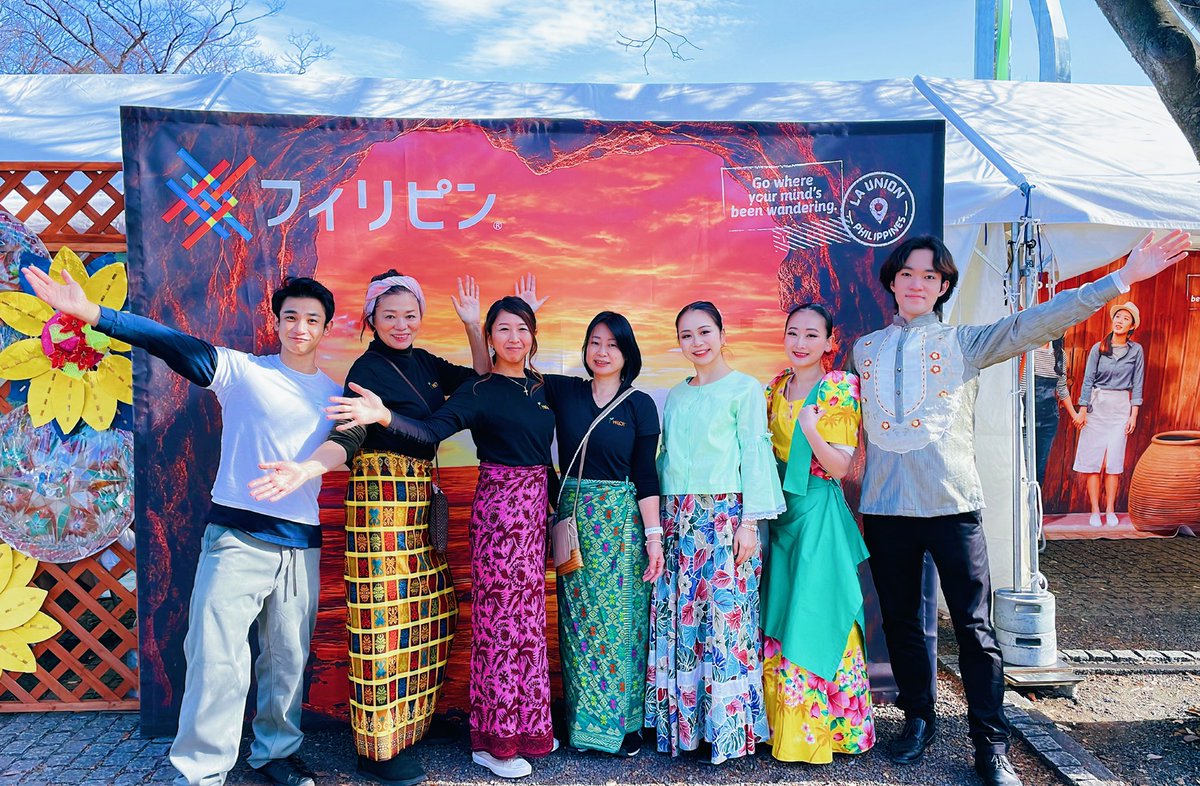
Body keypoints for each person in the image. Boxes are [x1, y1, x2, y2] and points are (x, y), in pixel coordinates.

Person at [850, 231, 1190, 786]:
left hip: (953, 504)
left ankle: (991, 743)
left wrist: (1121, 279)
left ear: (944, 286)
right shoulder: (864, 350)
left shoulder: (965, 342)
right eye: (907, 273)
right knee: (901, 622)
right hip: (886, 509)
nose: (917, 284)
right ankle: (918, 720)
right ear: (892, 281)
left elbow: (1035, 322)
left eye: (929, 276)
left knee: (974, 628)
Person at [25, 265, 343, 786]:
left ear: (326, 327)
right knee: (216, 658)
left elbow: (362, 441)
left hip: (300, 543)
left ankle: (275, 753)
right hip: (237, 538)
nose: (300, 327)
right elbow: (169, 342)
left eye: (312, 319)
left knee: (287, 661)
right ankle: (202, 771)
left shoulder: (335, 396)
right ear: (277, 323)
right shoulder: (243, 371)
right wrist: (93, 314)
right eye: (291, 317)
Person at [248, 270, 491, 786]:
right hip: (380, 511)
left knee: (430, 614)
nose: (401, 325)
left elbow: (480, 383)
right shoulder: (367, 369)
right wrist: (309, 468)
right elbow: (350, 435)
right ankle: (377, 748)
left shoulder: (425, 363)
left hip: (418, 503)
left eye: (410, 315)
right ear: (371, 320)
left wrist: (474, 327)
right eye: (390, 316)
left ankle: (407, 725)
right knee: (383, 624)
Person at [328, 296, 557, 780]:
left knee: (526, 622)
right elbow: (433, 429)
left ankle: (525, 724)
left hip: (531, 512)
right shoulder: (471, 389)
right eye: (503, 329)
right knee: (500, 625)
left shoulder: (537, 386)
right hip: (495, 514)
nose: (514, 338)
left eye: (523, 328)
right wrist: (383, 416)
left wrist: (475, 324)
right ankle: (493, 741)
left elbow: (517, 414)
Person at [646, 300, 784, 764]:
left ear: (723, 335)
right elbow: (665, 461)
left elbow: (755, 455)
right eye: (686, 335)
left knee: (726, 621)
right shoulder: (676, 395)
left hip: (727, 520)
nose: (697, 342)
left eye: (704, 332)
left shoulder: (745, 389)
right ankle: (687, 730)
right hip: (679, 520)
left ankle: (725, 734)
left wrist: (750, 524)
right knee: (684, 619)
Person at [542, 311, 663, 757]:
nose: (603, 352)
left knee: (622, 626)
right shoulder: (565, 392)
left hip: (623, 529)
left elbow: (645, 475)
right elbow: (503, 373)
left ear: (627, 352)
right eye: (595, 342)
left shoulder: (639, 405)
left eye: (613, 344)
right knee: (578, 625)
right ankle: (584, 725)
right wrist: (508, 324)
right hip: (574, 524)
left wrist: (654, 538)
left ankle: (625, 725)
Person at [760, 303, 875, 763]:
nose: (800, 342)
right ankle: (780, 729)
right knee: (783, 612)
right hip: (780, 515)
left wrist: (810, 428)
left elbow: (842, 466)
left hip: (818, 513)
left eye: (812, 334)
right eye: (793, 332)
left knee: (818, 610)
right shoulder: (774, 388)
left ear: (829, 342)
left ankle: (831, 733)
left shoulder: (839, 387)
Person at [1071, 302, 1145, 527]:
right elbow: (1088, 380)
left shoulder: (1136, 350)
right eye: (1118, 316)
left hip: (1120, 408)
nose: (1120, 321)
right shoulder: (1099, 348)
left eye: (1125, 318)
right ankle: (1095, 510)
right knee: (1093, 461)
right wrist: (1083, 409)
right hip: (1097, 406)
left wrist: (1133, 414)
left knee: (1113, 462)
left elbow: (1138, 383)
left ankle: (1110, 510)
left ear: (1132, 326)